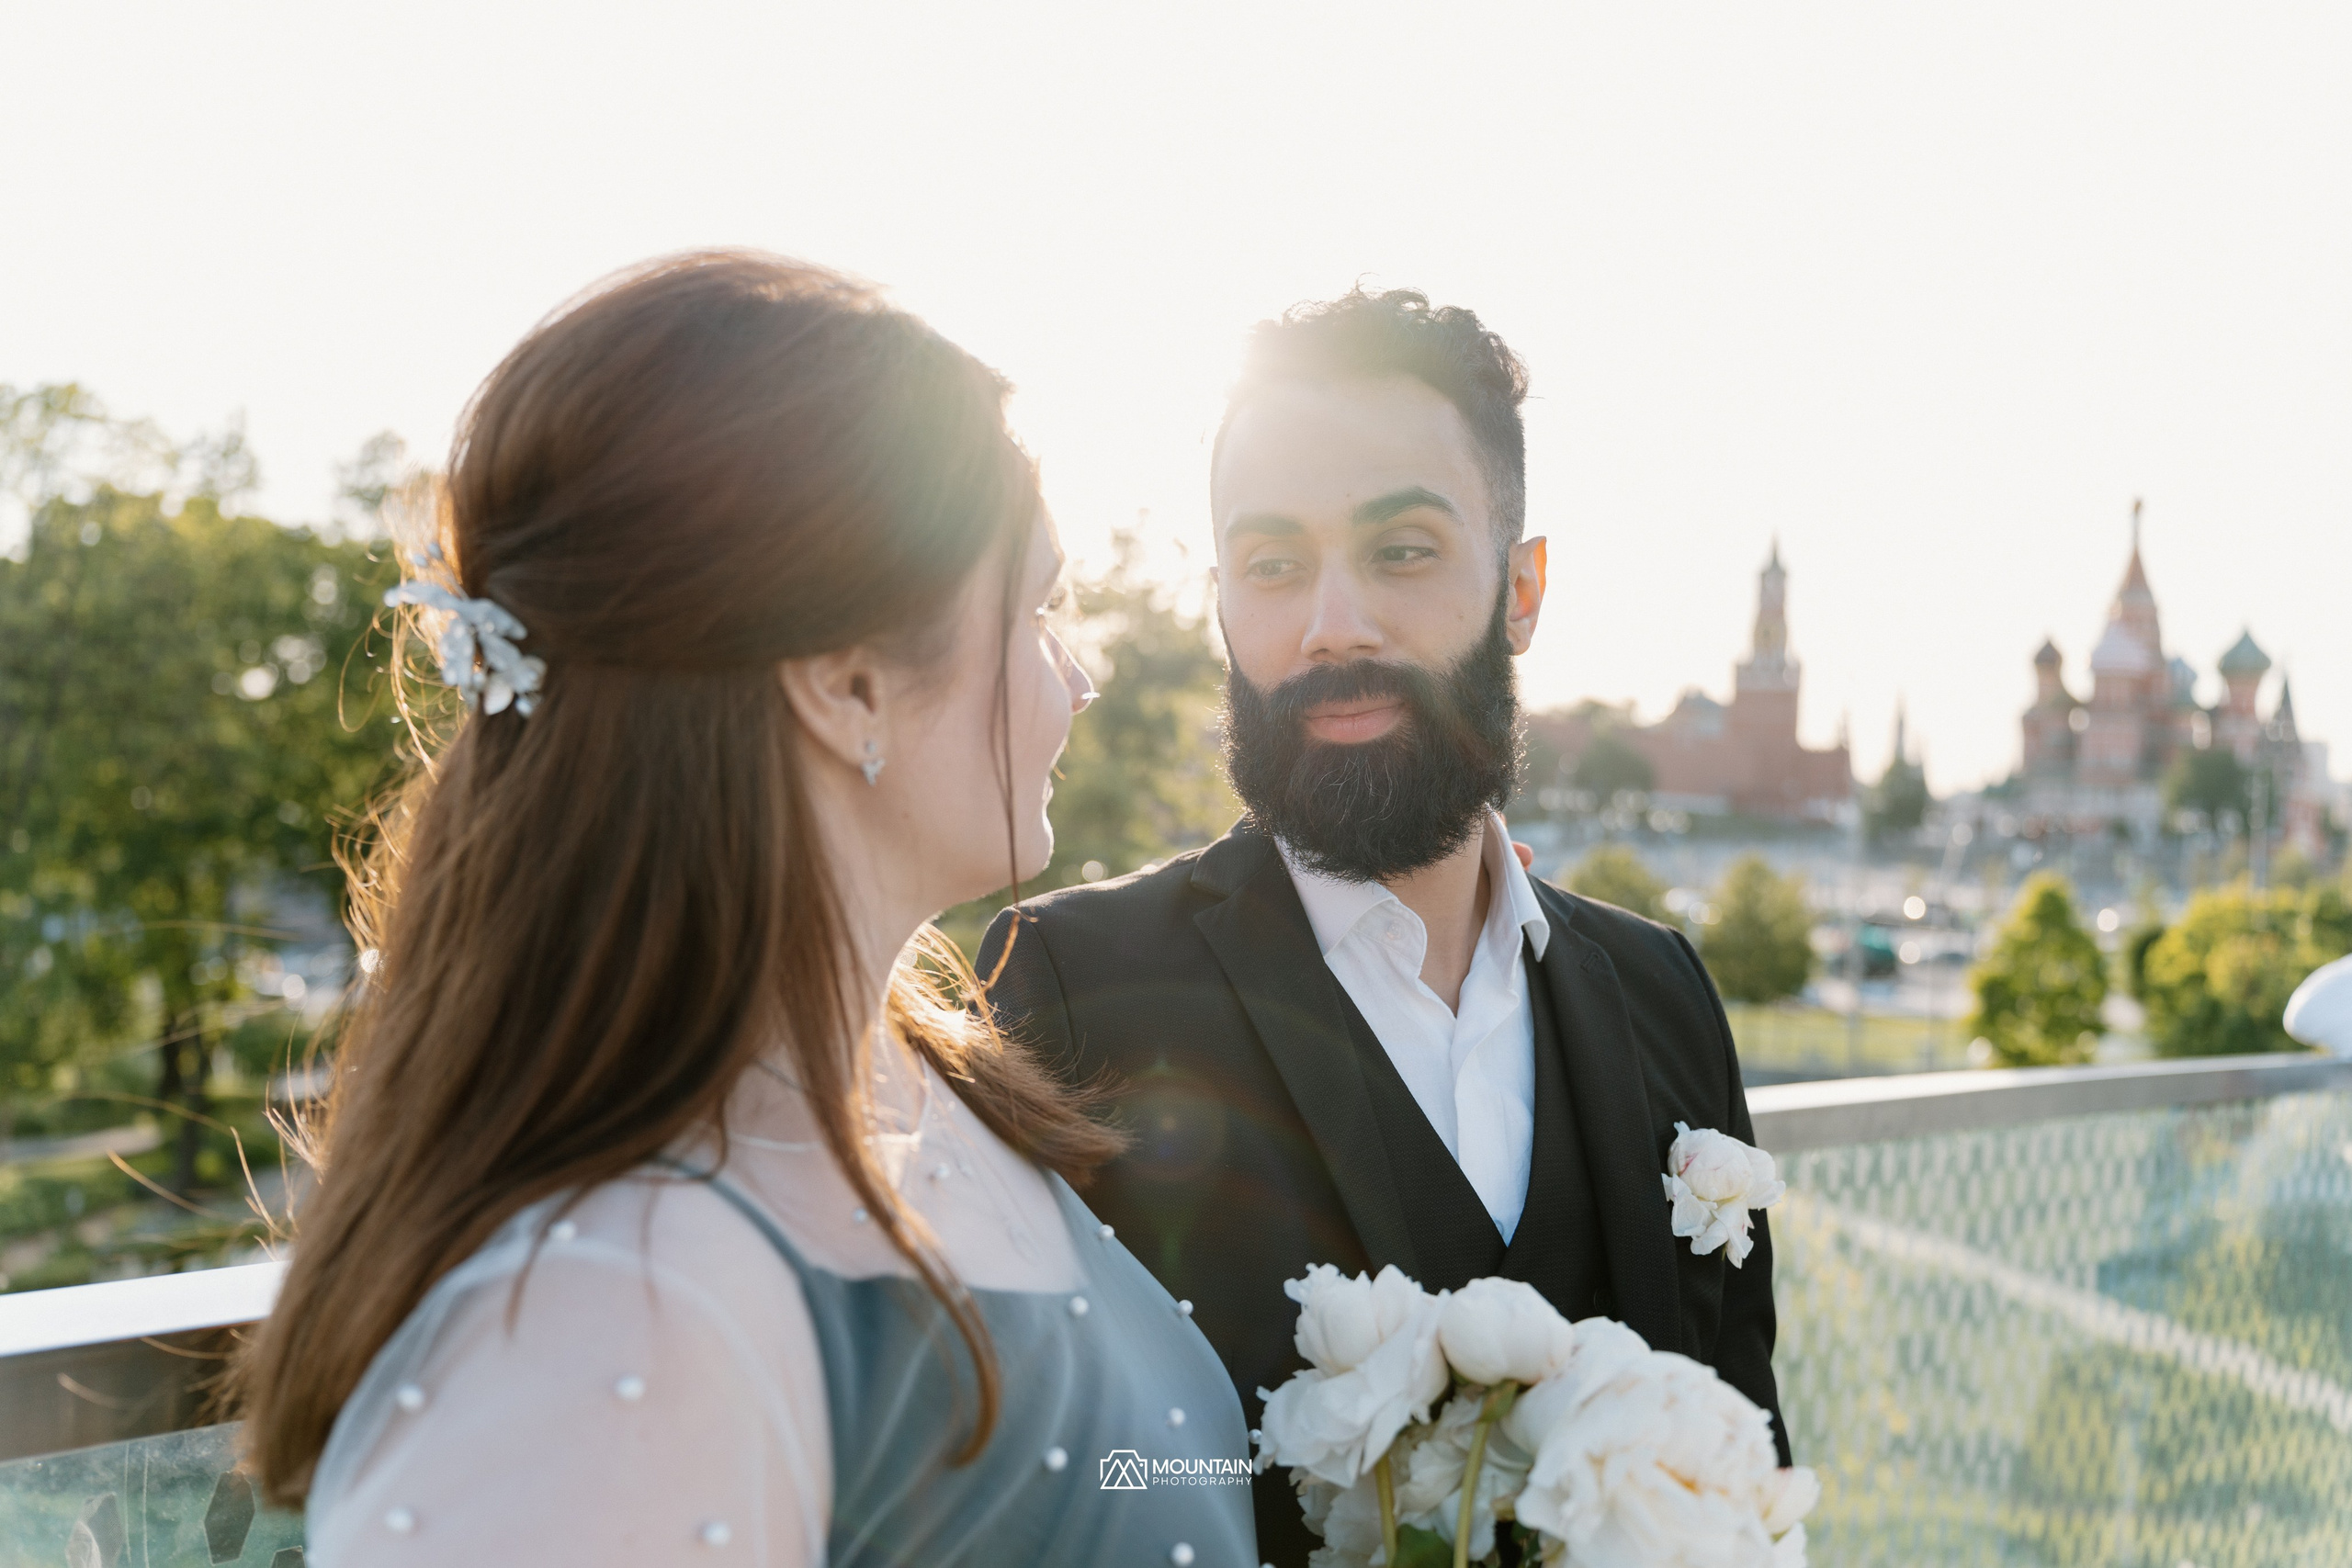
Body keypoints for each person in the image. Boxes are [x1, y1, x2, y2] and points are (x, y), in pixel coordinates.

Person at [233, 253, 1259, 1568]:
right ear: (846, 685)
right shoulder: (608, 1332)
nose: (1081, 675)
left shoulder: (936, 1084)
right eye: (1042, 606)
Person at [978, 288, 1787, 1565]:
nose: (1330, 623)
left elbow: (1748, 1458)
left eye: (1401, 551)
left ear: (1521, 590)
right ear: (1220, 606)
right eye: (1273, 564)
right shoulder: (1065, 993)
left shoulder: (1664, 991)